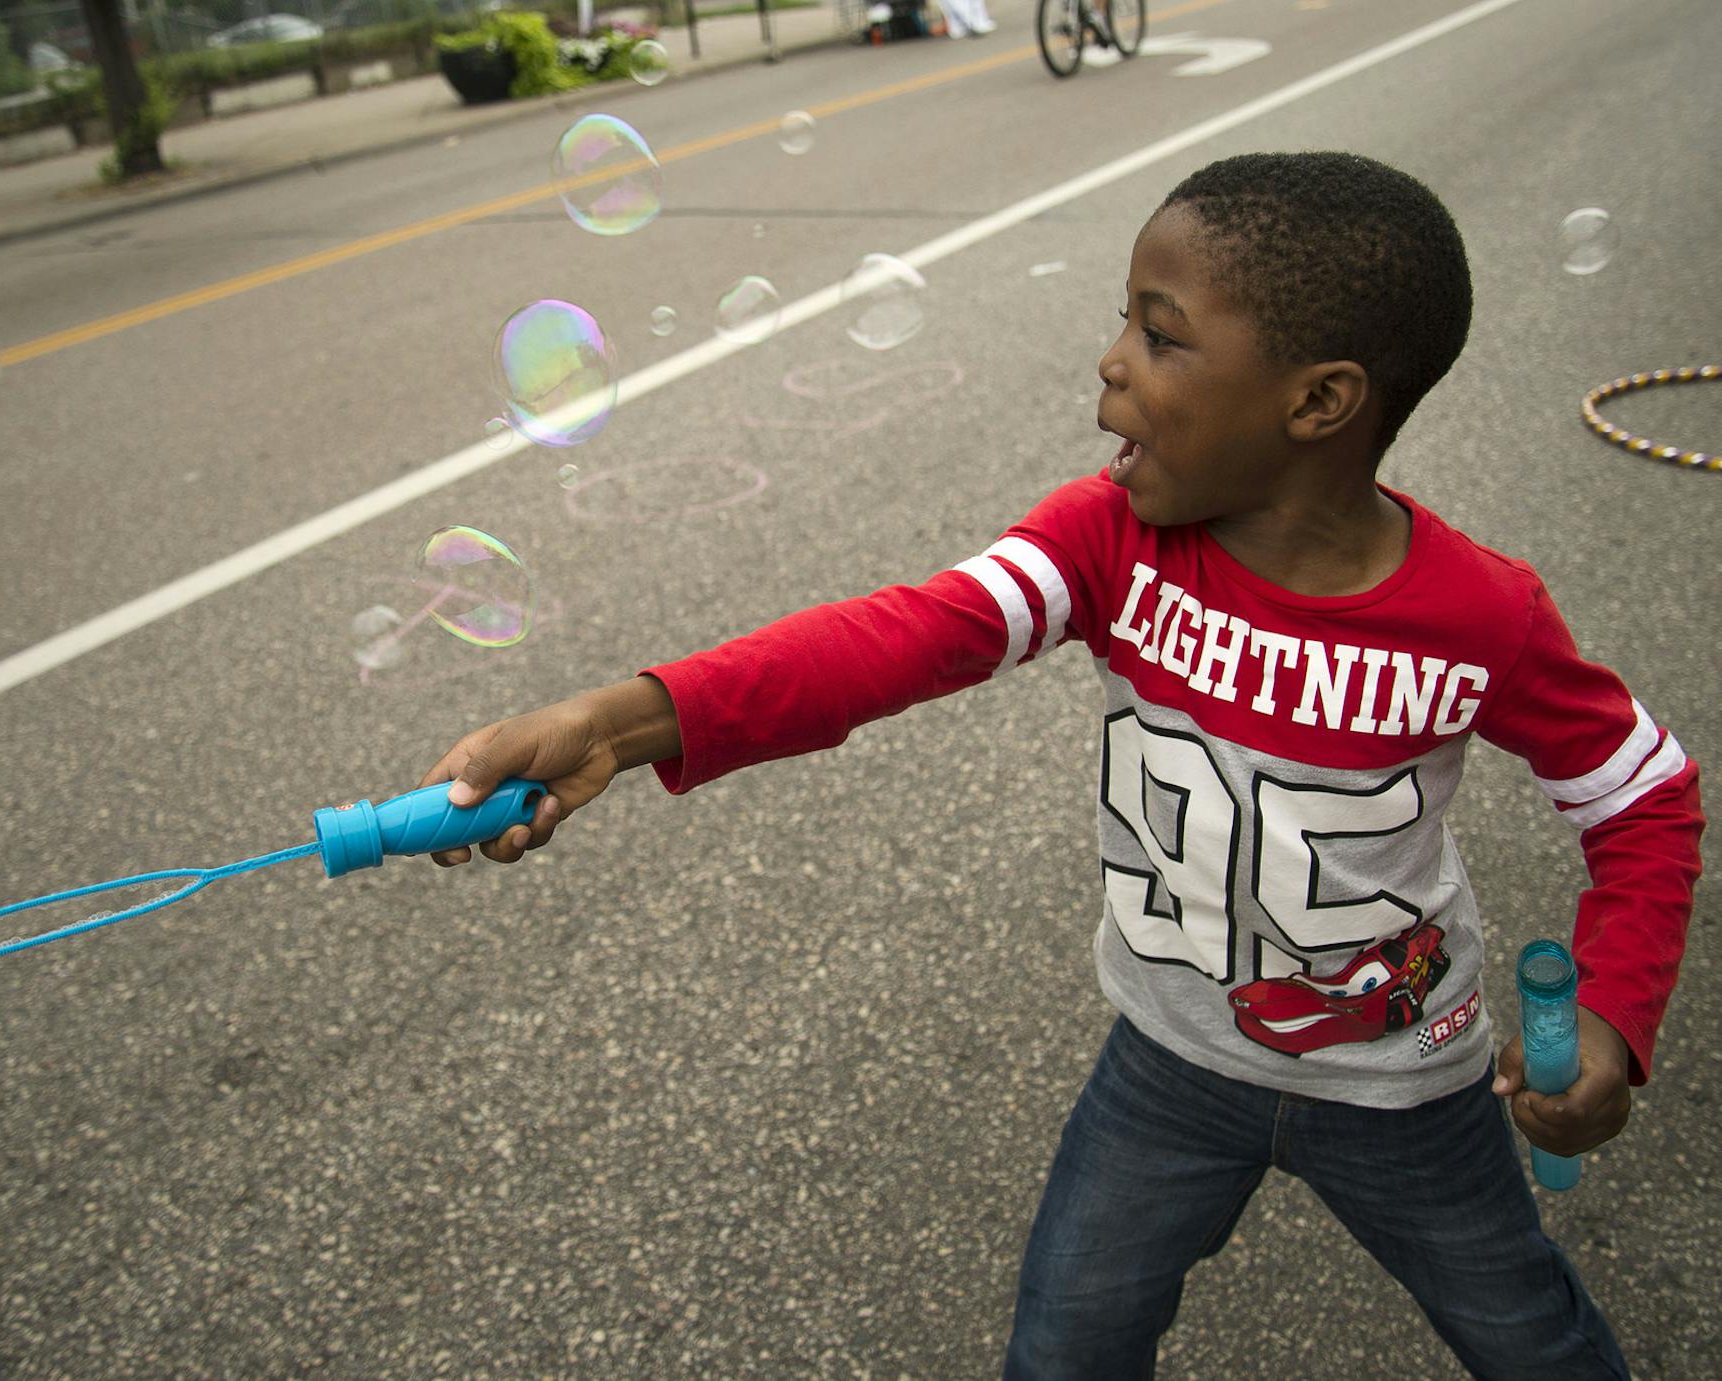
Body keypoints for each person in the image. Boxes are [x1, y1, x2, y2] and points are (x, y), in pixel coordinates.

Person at [411, 152, 1704, 1377]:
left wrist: (1612, 1014)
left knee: (1529, 1337)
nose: (1111, 361)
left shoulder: (1480, 618)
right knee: (1066, 1344)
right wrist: (626, 720)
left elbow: (1643, 794)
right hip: (1169, 1067)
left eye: (1161, 333)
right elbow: (903, 635)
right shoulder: (1108, 544)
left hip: (1409, 1079)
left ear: (1316, 402)